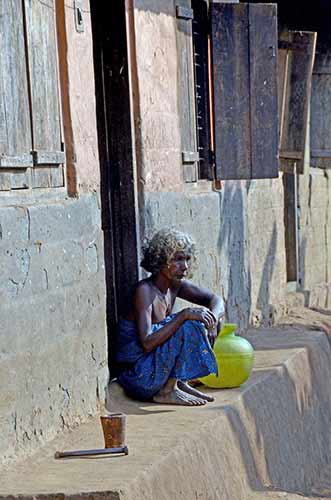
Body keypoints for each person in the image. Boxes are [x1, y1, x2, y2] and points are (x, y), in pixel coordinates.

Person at [116, 228, 225, 406]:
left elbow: (216, 300)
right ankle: (167, 391)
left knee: (203, 319)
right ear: (161, 260)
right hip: (137, 376)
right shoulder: (144, 291)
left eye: (187, 259)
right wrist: (183, 315)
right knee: (188, 323)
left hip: (155, 369)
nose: (185, 266)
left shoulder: (175, 286)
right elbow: (147, 342)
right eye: (178, 259)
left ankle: (176, 382)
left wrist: (213, 320)